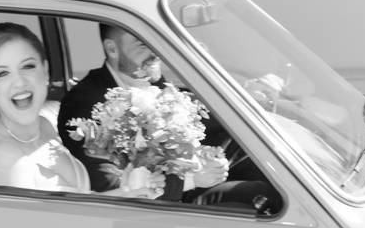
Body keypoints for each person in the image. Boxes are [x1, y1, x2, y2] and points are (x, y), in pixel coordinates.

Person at [58, 24, 275, 209]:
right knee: (256, 194)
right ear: (112, 49)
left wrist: (207, 154)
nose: (155, 51)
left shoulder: (151, 81)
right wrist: (192, 178)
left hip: (187, 180)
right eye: (143, 44)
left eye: (156, 41)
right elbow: (111, 184)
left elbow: (196, 124)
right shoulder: (87, 104)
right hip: (156, 208)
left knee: (258, 151)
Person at [0, 22, 164, 198]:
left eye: (28, 66)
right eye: (2, 73)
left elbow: (77, 205)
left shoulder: (44, 126)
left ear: (45, 71)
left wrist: (127, 189)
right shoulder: (3, 162)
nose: (19, 82)